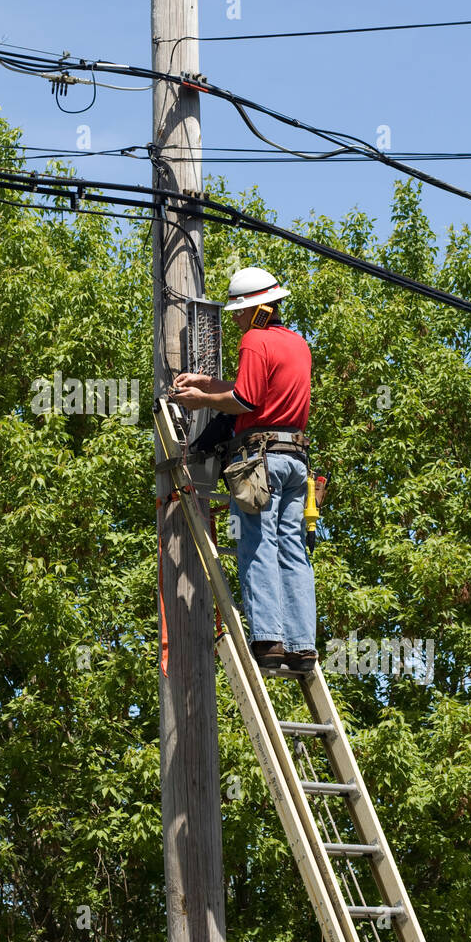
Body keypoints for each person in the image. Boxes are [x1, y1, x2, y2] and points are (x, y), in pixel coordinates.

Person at [170, 266, 317, 671]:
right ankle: (303, 647)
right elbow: (254, 394)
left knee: (258, 545)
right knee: (293, 550)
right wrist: (205, 383)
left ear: (258, 310)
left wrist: (200, 401)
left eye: (238, 311)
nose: (234, 319)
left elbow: (247, 403)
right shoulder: (297, 344)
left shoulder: (255, 339)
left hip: (260, 461)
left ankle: (269, 640)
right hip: (294, 460)